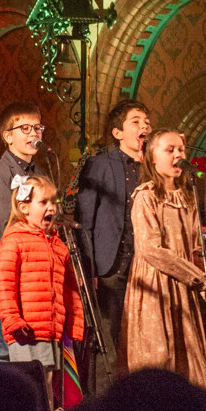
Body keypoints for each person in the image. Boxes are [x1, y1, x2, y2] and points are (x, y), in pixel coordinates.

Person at [118, 129, 206, 390]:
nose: (178, 155)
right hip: (155, 284)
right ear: (152, 159)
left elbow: (195, 246)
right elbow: (150, 249)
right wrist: (195, 276)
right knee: (159, 354)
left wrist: (205, 276)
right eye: (169, 150)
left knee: (189, 356)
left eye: (181, 150)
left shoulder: (187, 195)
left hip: (183, 285)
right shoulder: (145, 195)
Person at [75, 99, 152, 391]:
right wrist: (89, 268)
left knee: (141, 337)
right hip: (111, 265)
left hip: (144, 266)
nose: (143, 126)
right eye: (136, 121)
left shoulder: (152, 168)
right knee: (107, 338)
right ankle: (103, 405)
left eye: (146, 121)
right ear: (118, 132)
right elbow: (85, 219)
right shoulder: (100, 164)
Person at [0, 174, 84, 401]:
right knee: (31, 387)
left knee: (48, 385)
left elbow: (69, 290)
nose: (51, 208)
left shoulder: (58, 244)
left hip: (52, 329)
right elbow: (4, 285)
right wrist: (13, 320)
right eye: (43, 203)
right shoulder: (15, 240)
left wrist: (74, 324)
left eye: (54, 202)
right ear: (24, 207)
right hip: (28, 330)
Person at [0, 102, 46, 362]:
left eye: (38, 128)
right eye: (26, 128)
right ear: (8, 136)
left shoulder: (41, 173)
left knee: (31, 354)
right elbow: (0, 221)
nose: (34, 134)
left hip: (33, 276)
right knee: (3, 351)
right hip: (7, 274)